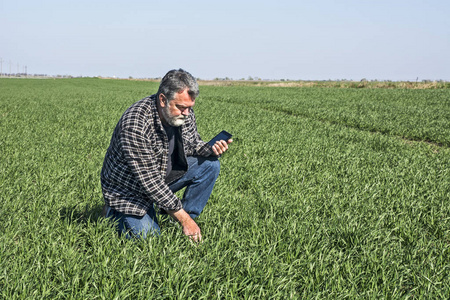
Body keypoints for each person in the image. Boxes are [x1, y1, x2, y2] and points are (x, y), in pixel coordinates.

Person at [100, 69, 232, 242]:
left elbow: (193, 144)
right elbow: (151, 183)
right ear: (162, 100)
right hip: (130, 192)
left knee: (210, 165)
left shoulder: (183, 114)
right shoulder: (135, 124)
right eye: (181, 107)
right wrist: (184, 220)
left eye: (190, 107)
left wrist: (211, 149)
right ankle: (113, 212)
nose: (187, 113)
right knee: (150, 240)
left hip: (162, 176)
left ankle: (186, 219)